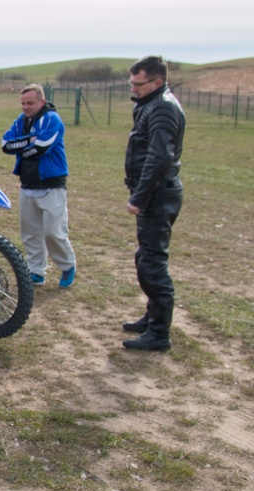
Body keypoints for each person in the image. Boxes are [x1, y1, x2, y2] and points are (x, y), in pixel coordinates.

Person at [121, 56, 185, 352]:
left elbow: (160, 158)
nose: (132, 88)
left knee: (153, 264)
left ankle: (159, 333)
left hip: (159, 195)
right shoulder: (152, 103)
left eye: (138, 83)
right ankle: (152, 317)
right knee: (145, 257)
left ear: (157, 83)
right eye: (131, 82)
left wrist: (139, 197)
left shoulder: (162, 107)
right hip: (155, 194)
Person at [1, 84, 77, 289]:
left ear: (41, 102)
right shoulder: (21, 120)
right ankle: (36, 271)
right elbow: (5, 144)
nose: (26, 107)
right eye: (23, 103)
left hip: (52, 185)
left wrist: (25, 146)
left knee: (53, 232)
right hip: (27, 184)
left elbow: (42, 147)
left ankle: (67, 265)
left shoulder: (52, 119)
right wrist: (30, 141)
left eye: (30, 103)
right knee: (30, 233)